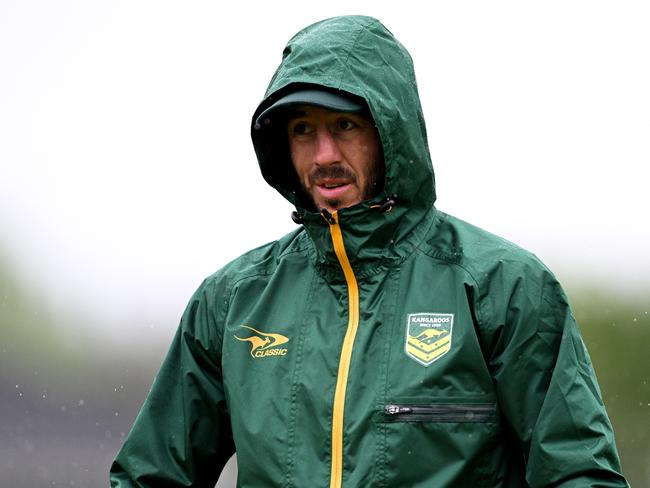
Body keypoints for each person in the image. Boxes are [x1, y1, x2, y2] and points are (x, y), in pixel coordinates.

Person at [110, 15, 628, 487]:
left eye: (345, 125)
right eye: (303, 130)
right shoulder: (232, 300)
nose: (324, 154)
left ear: (390, 130)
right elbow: (151, 477)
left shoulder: (504, 285)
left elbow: (578, 474)